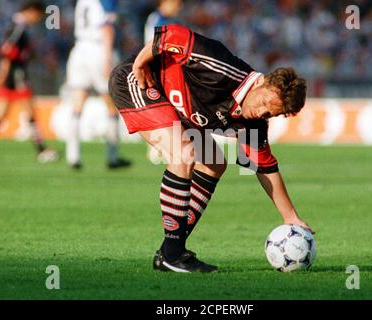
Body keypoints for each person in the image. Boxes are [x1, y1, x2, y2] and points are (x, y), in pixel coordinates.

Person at [109, 24, 313, 273]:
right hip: (140, 81)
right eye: (264, 103)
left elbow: (263, 167)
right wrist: (141, 62)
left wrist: (290, 217)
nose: (261, 112)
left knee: (214, 163)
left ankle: (170, 251)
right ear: (262, 82)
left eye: (271, 113)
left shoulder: (253, 123)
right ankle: (173, 256)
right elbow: (172, 33)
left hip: (175, 109)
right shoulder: (222, 67)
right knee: (184, 153)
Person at [65, 0, 130, 169]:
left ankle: (73, 156)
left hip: (79, 49)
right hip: (99, 49)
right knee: (111, 103)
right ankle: (113, 156)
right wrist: (108, 58)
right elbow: (106, 27)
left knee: (77, 106)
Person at [0, 0, 59, 163]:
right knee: (29, 113)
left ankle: (41, 149)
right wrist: (2, 74)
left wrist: (43, 61)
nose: (37, 20)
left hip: (14, 75)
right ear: (31, 11)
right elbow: (7, 51)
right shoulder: (19, 26)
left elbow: (26, 52)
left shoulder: (18, 25)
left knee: (1, 114)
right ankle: (41, 150)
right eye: (38, 16)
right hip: (16, 76)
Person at [144, 0, 183, 163]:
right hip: (159, 69)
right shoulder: (159, 21)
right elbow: (156, 45)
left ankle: (161, 147)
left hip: (163, 68)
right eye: (176, 3)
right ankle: (158, 147)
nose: (178, 7)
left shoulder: (162, 20)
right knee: (166, 108)